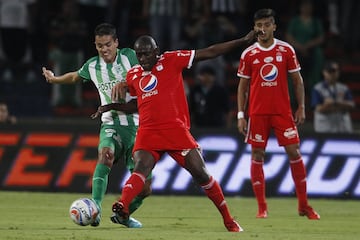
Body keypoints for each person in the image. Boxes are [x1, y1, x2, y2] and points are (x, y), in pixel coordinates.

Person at [92, 30, 257, 231]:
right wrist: (111, 107)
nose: (142, 59)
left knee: (202, 174)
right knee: (141, 167)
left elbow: (211, 51)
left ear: (156, 52)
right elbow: (139, 104)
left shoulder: (172, 60)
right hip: (148, 131)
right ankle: (123, 204)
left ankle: (228, 219)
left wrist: (243, 40)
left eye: (146, 54)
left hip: (175, 131)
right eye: (139, 55)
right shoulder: (133, 75)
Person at [42, 23, 151, 228]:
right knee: (105, 154)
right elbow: (75, 76)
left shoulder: (130, 56)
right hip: (111, 123)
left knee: (145, 188)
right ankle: (96, 209)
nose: (104, 49)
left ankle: (123, 215)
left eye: (108, 44)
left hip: (140, 127)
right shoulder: (92, 66)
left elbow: (149, 73)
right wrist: (55, 79)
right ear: (95, 45)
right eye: (100, 45)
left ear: (116, 42)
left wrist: (127, 83)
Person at [237, 9, 320, 220]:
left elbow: (297, 80)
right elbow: (242, 87)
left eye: (266, 25)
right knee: (258, 155)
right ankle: (262, 208)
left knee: (294, 152)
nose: (262, 29)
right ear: (255, 28)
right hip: (257, 112)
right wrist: (240, 114)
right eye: (259, 25)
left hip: (282, 111)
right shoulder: (249, 54)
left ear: (274, 26)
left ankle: (304, 205)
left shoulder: (286, 50)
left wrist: (301, 106)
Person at [311, 60, 355, 133]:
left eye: (335, 71)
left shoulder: (343, 88)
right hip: (325, 128)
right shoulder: (317, 88)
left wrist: (334, 103)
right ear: (324, 72)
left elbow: (351, 105)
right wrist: (339, 105)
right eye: (330, 71)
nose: (333, 74)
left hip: (342, 128)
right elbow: (318, 108)